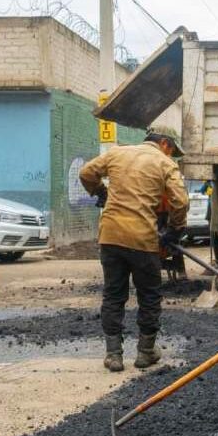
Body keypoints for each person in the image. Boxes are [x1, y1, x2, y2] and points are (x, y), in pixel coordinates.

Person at [79, 128, 188, 372]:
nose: (171, 155)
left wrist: (102, 192)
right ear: (164, 143)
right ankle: (145, 352)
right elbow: (180, 202)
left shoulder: (117, 153)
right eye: (172, 150)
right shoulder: (165, 163)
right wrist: (174, 230)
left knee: (113, 295)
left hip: (110, 236)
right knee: (149, 296)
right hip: (142, 239)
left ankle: (113, 355)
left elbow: (86, 173)